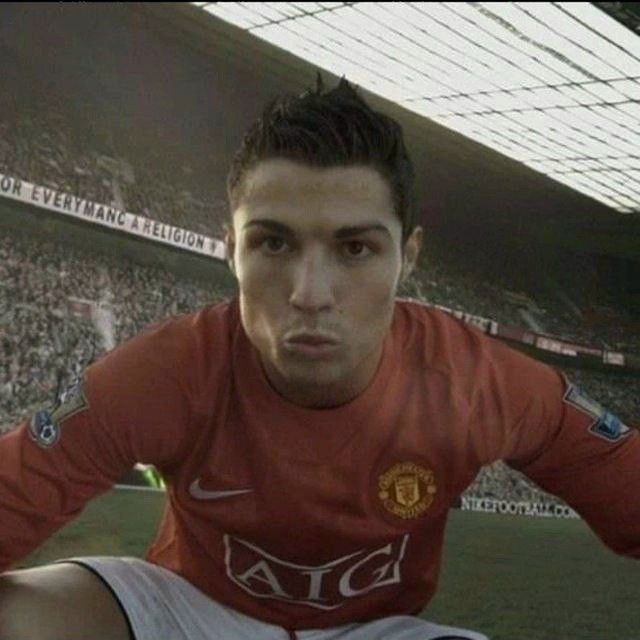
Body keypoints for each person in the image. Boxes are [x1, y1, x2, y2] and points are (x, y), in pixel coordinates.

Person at [0, 76, 638, 640]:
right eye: (273, 243)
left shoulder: (480, 382)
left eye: (355, 249)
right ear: (231, 250)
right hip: (189, 608)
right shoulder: (166, 371)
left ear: (408, 258)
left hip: (375, 629)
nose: (310, 293)